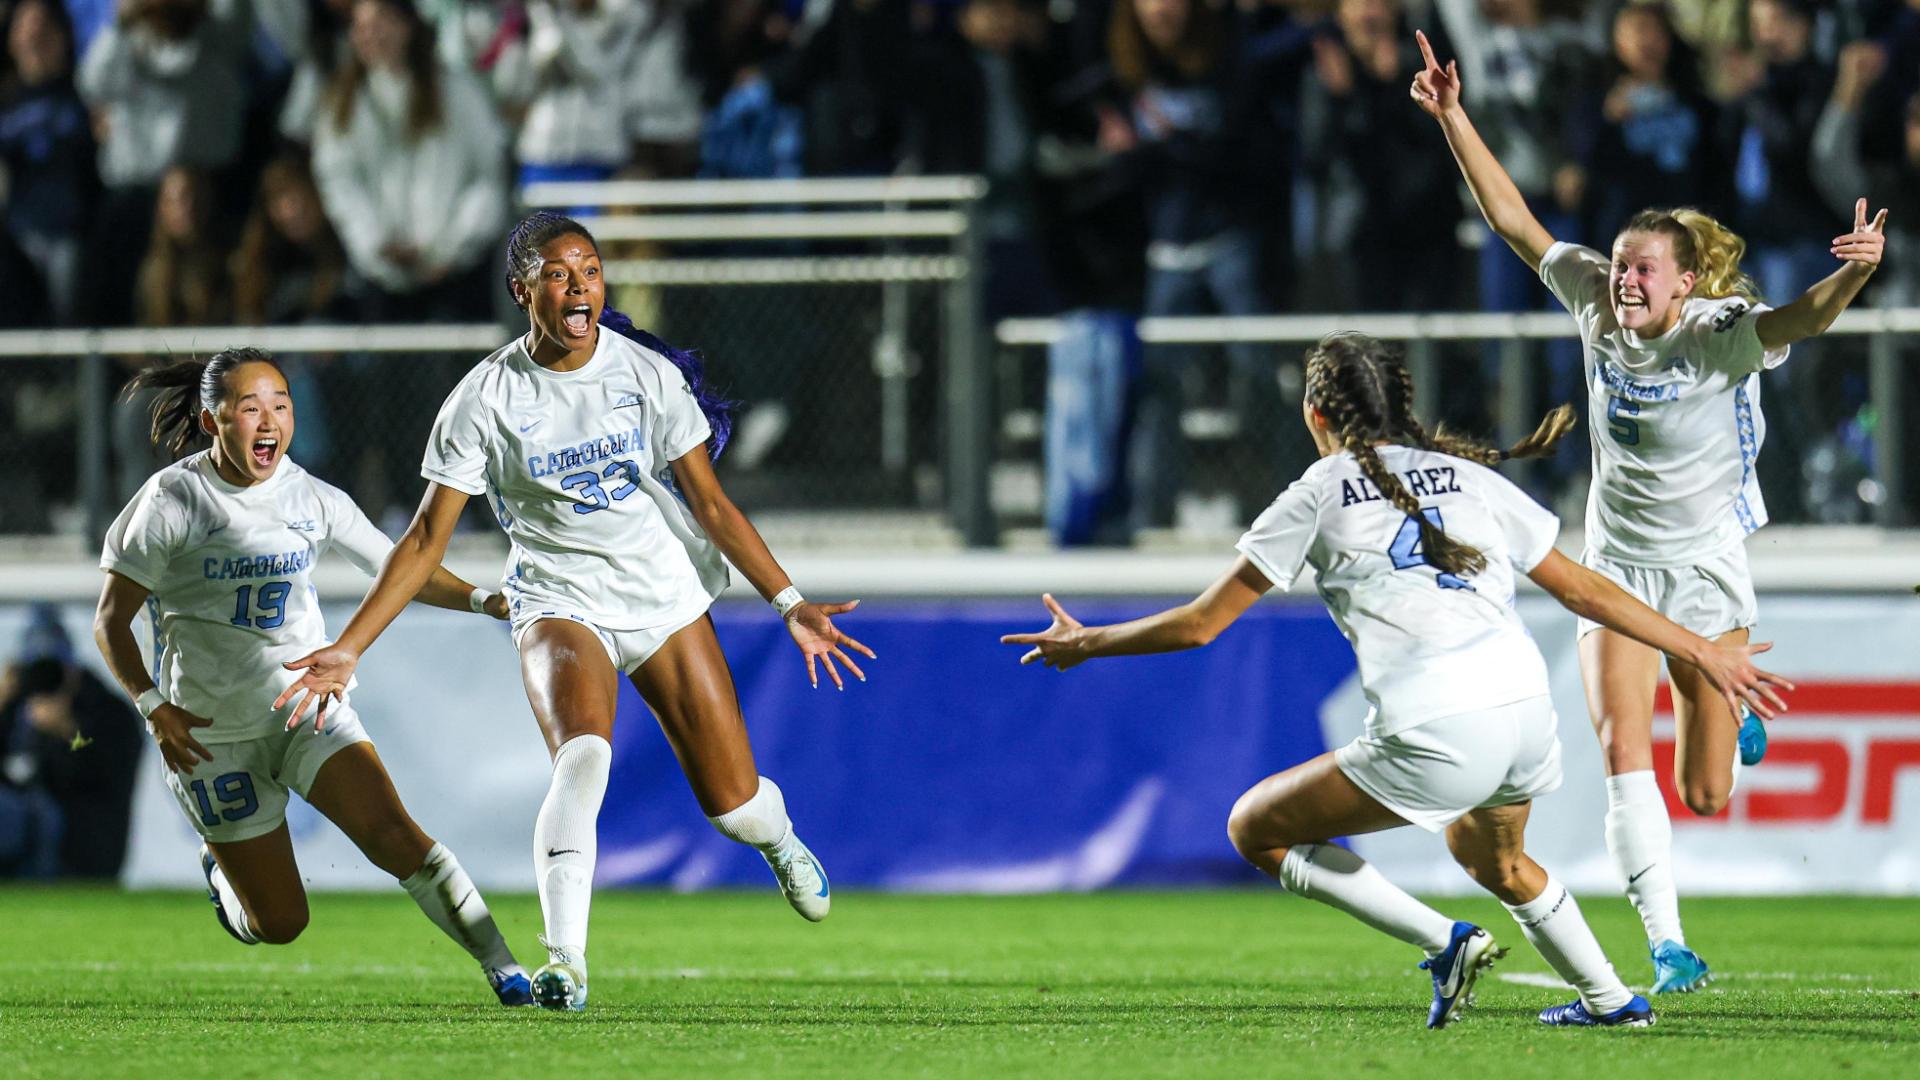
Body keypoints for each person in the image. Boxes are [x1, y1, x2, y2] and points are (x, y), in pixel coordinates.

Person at [1002, 331, 1793, 1029]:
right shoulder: (1468, 476)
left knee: (1256, 828)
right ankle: (1611, 999)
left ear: (1318, 417)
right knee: (1496, 860)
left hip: (1439, 725)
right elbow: (1585, 588)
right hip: (1525, 714)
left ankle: (1444, 943)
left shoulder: (1315, 493)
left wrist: (1088, 643)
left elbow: (1202, 624)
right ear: (1401, 405)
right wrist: (1698, 648)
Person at [272, 211, 876, 1013]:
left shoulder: (643, 375)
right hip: (556, 598)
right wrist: (351, 647)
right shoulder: (484, 397)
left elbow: (713, 506)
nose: (579, 286)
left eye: (589, 270)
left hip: (660, 595)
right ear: (524, 290)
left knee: (733, 807)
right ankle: (567, 963)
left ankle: (781, 837)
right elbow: (420, 542)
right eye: (558, 273)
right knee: (583, 760)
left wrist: (790, 603)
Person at [1410, 28, 1889, 992]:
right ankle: (1668, 944)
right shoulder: (1593, 298)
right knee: (1623, 746)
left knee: (1705, 793)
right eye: (1620, 263)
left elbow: (1799, 320)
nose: (1623, 277)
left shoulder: (1717, 336)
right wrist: (1455, 117)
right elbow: (1517, 225)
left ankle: (1725, 719)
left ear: (1687, 282)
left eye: (1642, 269)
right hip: (1614, 564)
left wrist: (1856, 272)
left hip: (1707, 570)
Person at [92, 348, 535, 1006]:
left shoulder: (311, 496)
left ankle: (506, 969)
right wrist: (154, 705)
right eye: (250, 408)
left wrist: (484, 599)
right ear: (214, 422)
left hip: (304, 710)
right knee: (281, 924)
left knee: (397, 837)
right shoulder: (171, 500)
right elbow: (110, 621)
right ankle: (226, 884)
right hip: (210, 737)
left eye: (281, 405)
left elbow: (401, 567)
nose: (269, 421)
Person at [0, 604, 144, 879]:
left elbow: (104, 764)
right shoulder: (17, 703)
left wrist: (69, 733)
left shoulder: (107, 710)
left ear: (72, 668)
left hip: (82, 848)